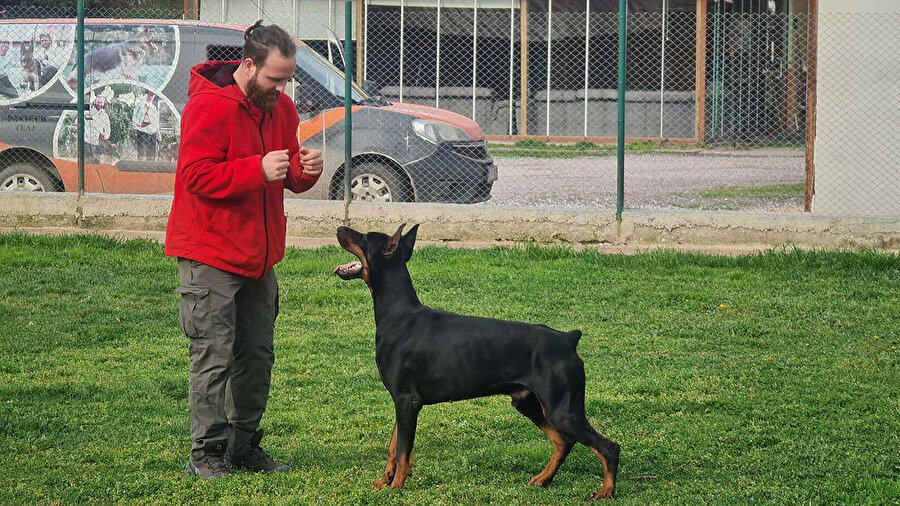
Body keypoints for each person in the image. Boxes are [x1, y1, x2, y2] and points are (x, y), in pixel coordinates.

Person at [164, 21, 324, 479]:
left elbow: (288, 176)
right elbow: (195, 176)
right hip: (210, 254)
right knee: (214, 355)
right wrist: (256, 169)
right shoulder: (207, 108)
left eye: (287, 79)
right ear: (248, 65)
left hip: (259, 258)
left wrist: (305, 170)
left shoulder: (283, 110)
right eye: (275, 78)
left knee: (256, 354)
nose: (281, 88)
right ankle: (207, 454)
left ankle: (243, 446)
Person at [132, 91, 159, 160]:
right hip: (142, 133)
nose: (150, 97)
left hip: (152, 133)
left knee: (151, 155)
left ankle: (150, 169)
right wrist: (138, 125)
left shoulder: (154, 107)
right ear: (146, 95)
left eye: (152, 95)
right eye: (149, 95)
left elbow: (156, 121)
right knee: (141, 154)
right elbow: (134, 118)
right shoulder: (139, 106)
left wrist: (158, 132)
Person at [84, 96, 111, 163]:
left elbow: (108, 129)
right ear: (94, 102)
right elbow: (85, 123)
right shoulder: (88, 112)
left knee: (98, 163)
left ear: (104, 104)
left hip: (99, 143)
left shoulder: (105, 116)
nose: (99, 104)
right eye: (98, 102)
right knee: (87, 162)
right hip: (87, 141)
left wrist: (105, 135)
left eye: (101, 102)